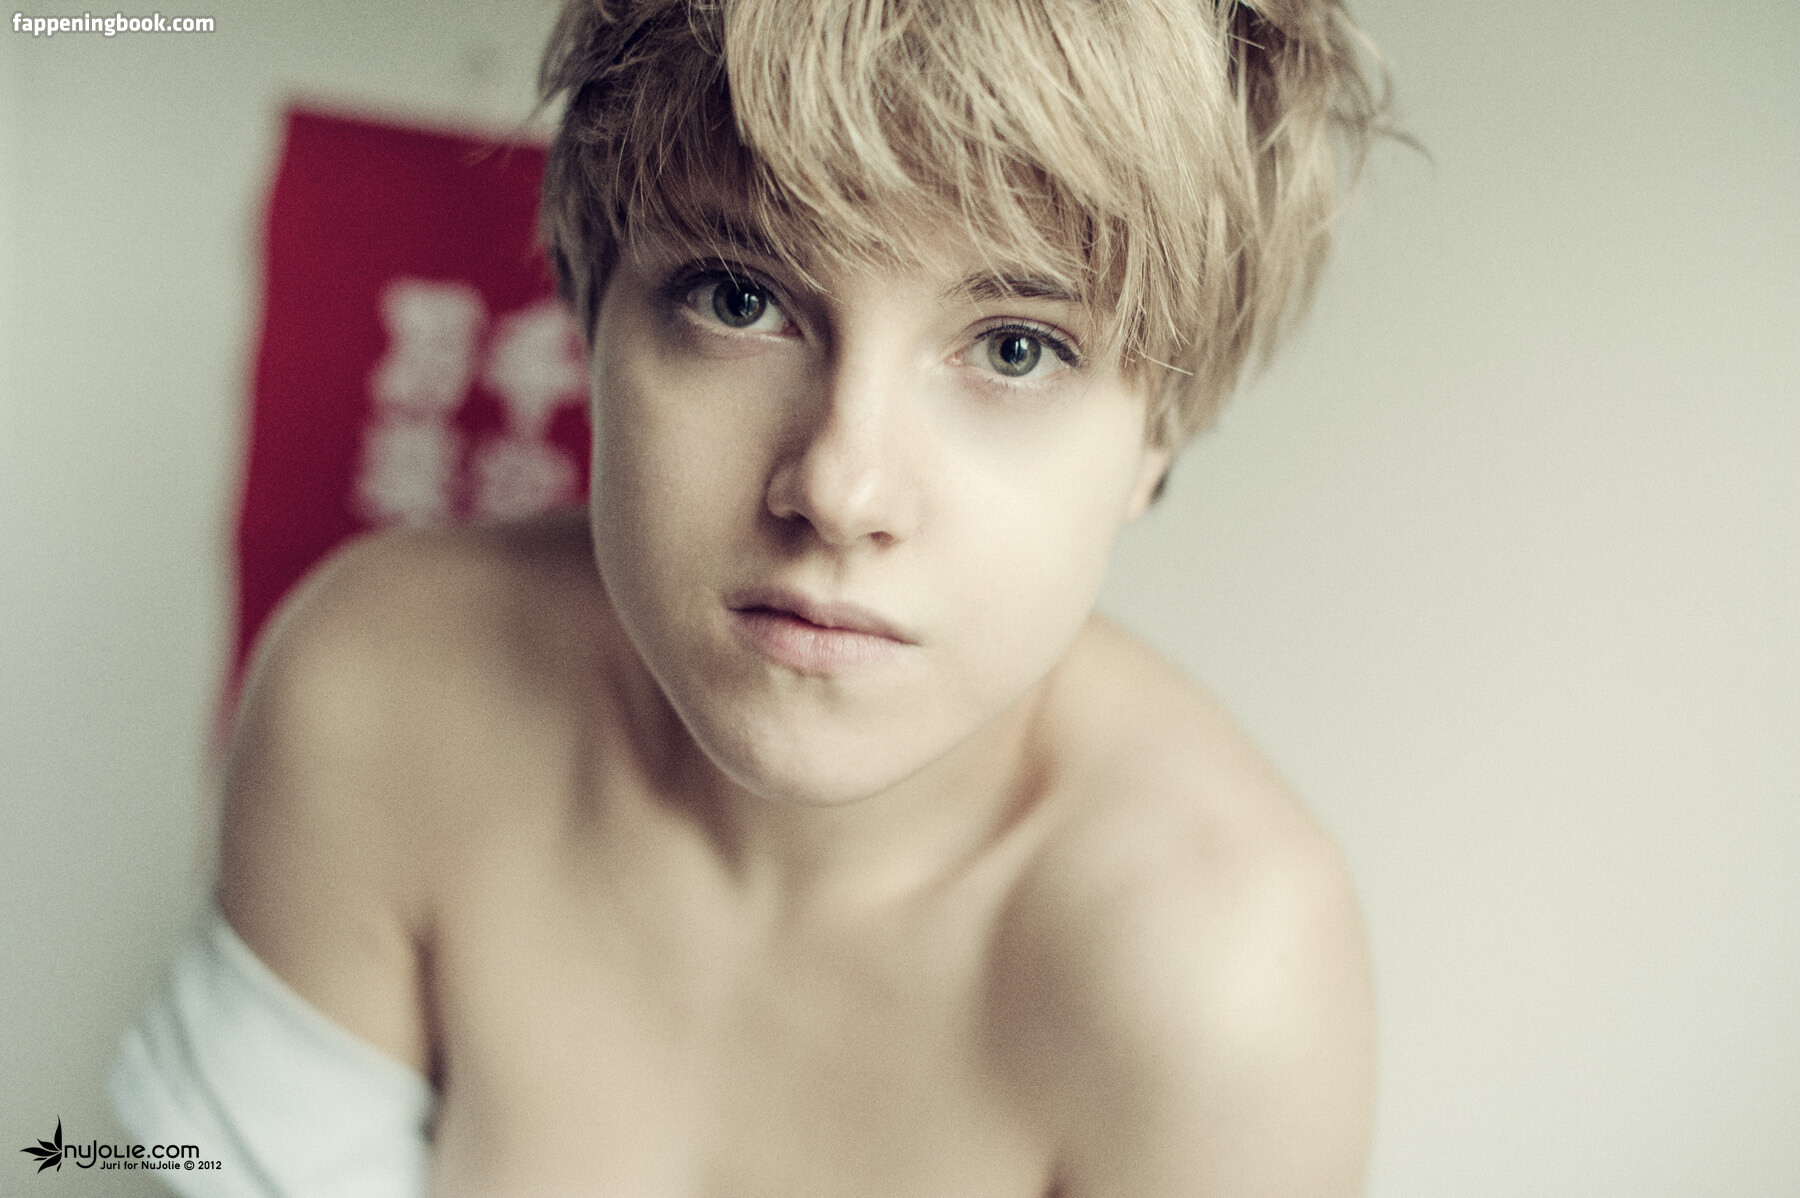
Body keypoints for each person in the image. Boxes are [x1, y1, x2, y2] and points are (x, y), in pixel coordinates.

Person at [111, 0, 1392, 1194]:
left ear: (1158, 433)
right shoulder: (383, 698)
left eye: (1015, 347)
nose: (840, 486)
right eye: (740, 298)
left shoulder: (1221, 973)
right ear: (591, 311)